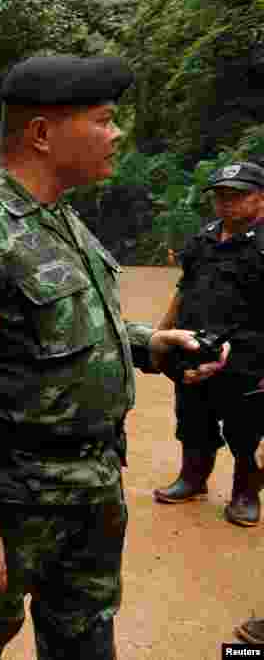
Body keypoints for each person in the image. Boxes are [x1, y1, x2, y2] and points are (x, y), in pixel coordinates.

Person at [0, 55, 229, 659]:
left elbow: (68, 326)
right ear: (42, 134)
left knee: (84, 638)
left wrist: (150, 346)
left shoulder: (61, 220)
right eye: (104, 120)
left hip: (91, 491)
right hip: (14, 503)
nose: (118, 134)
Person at [152, 161, 264, 526]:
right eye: (220, 197)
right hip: (194, 345)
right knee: (192, 414)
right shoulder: (203, 239)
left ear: (260, 198)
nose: (226, 204)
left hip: (248, 355)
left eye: (236, 196)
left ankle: (246, 494)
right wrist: (159, 335)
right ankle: (193, 477)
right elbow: (183, 289)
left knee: (246, 429)